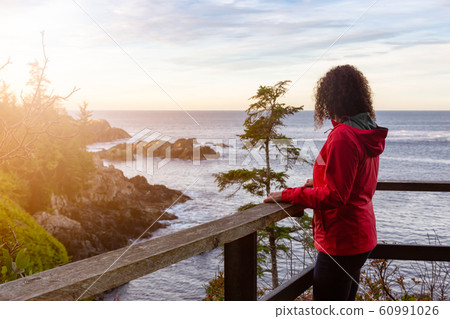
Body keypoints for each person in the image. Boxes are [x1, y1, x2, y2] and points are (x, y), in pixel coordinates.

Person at [263, 64, 388, 301]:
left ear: (330, 98)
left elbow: (335, 196)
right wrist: (319, 180)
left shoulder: (344, 135)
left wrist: (290, 195)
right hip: (360, 236)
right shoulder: (365, 130)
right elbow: (357, 180)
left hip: (342, 241)